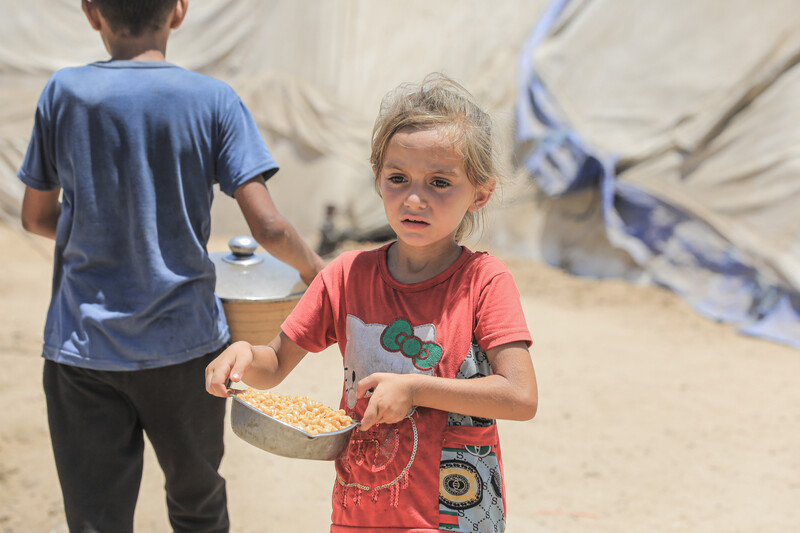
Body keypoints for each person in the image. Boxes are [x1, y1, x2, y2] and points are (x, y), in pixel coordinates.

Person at [17, 1, 325, 532]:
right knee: (197, 505)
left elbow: (37, 216)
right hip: (188, 355)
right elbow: (269, 229)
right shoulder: (212, 100)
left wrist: (98, 228)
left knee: (95, 519)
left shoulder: (63, 93)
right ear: (179, 11)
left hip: (83, 352)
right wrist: (323, 273)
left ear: (92, 12)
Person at [206, 73, 538, 532]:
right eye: (398, 178)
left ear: (479, 194)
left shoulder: (483, 281)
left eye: (440, 182)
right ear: (378, 179)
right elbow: (275, 363)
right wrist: (244, 355)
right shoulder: (345, 276)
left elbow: (520, 397)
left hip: (453, 515)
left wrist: (416, 389)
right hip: (360, 511)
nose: (415, 198)